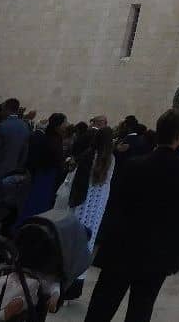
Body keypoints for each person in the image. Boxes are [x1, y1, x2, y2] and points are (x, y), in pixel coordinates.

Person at [84, 109, 179, 322]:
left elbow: (115, 206)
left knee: (102, 305)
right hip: (156, 254)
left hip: (122, 247)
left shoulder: (135, 165)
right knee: (141, 310)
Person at [65, 127, 116, 300]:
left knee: (73, 241)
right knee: (88, 242)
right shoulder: (110, 159)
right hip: (97, 207)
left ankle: (66, 281)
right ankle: (77, 285)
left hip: (82, 204)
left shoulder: (87, 156)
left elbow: (76, 182)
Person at [0, 98, 32, 228]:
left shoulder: (3, 126)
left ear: (6, 109)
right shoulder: (25, 127)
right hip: (14, 174)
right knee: (4, 207)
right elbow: (24, 153)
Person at [22, 113, 67, 219]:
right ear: (58, 125)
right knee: (38, 202)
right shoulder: (52, 139)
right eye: (64, 123)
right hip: (46, 175)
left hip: (46, 175)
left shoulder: (52, 138)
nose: (66, 125)